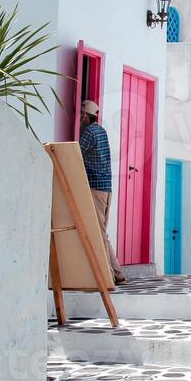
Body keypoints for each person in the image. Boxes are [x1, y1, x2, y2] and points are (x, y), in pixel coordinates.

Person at [78, 100, 126, 285]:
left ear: (85, 115)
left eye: (81, 114)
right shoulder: (102, 131)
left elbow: (76, 152)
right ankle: (118, 273)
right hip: (106, 187)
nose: (80, 118)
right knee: (102, 232)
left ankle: (107, 277)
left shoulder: (89, 132)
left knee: (98, 233)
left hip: (95, 188)